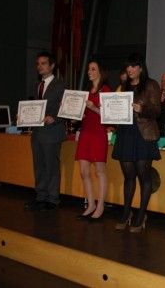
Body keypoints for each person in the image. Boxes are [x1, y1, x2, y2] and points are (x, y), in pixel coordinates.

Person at [112, 53, 161, 232]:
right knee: (128, 176)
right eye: (128, 67)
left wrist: (142, 108)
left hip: (143, 135)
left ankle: (141, 215)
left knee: (144, 175)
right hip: (125, 133)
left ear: (140, 67)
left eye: (134, 66)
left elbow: (156, 111)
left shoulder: (151, 84)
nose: (130, 70)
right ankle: (126, 213)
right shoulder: (123, 86)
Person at [25, 51, 66, 211]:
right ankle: (41, 197)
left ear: (52, 66)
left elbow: (66, 108)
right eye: (38, 64)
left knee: (51, 166)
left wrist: (54, 118)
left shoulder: (60, 85)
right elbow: (35, 108)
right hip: (37, 133)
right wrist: (23, 115)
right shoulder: (38, 85)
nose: (39, 66)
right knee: (39, 166)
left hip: (52, 132)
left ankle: (53, 199)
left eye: (43, 63)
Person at [75, 60, 111, 221]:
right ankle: (90, 204)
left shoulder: (106, 90)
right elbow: (83, 114)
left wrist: (92, 107)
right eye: (89, 69)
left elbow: (108, 116)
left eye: (93, 69)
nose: (89, 71)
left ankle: (101, 205)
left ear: (100, 72)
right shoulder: (86, 91)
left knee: (99, 171)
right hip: (86, 132)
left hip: (98, 133)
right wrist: (77, 113)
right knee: (84, 171)